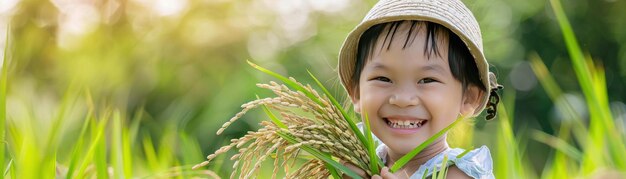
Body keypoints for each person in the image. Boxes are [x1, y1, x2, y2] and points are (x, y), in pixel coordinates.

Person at [337, 0, 502, 178]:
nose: (402, 99)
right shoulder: (360, 163)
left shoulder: (458, 174)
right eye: (383, 78)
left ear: (468, 98)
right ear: (356, 93)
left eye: (427, 80)